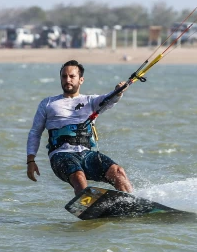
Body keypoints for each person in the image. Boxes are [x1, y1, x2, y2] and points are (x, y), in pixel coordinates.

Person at [27, 60, 133, 195]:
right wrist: (30, 160)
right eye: (64, 76)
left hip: (87, 154)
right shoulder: (48, 104)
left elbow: (110, 98)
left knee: (118, 172)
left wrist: (119, 91)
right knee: (78, 176)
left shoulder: (91, 101)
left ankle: (133, 202)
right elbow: (35, 132)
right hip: (61, 155)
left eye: (72, 76)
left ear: (81, 80)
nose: (67, 80)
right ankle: (87, 206)